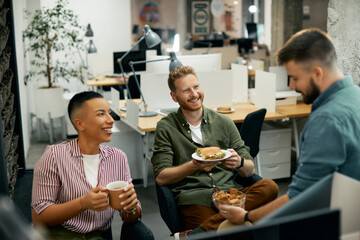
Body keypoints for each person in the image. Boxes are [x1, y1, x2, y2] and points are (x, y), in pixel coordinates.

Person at [218, 28, 360, 226]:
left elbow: (300, 197)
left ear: (317, 73)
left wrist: (246, 216)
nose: (292, 86)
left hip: (335, 223)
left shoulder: (327, 119)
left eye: (294, 78)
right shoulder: (355, 95)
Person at [151, 66, 279, 238]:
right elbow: (161, 176)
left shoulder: (224, 122)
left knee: (270, 186)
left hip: (229, 194)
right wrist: (193, 166)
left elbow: (250, 169)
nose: (194, 94)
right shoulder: (166, 127)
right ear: (174, 96)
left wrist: (239, 162)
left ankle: (193, 235)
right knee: (230, 232)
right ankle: (214, 229)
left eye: (196, 87)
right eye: (186, 90)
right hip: (194, 197)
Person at [31, 91, 154, 240]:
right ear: (80, 124)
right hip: (60, 235)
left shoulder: (117, 157)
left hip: (98, 236)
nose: (111, 120)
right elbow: (39, 217)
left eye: (109, 113)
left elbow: (128, 216)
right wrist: (83, 203)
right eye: (101, 114)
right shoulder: (54, 156)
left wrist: (132, 207)